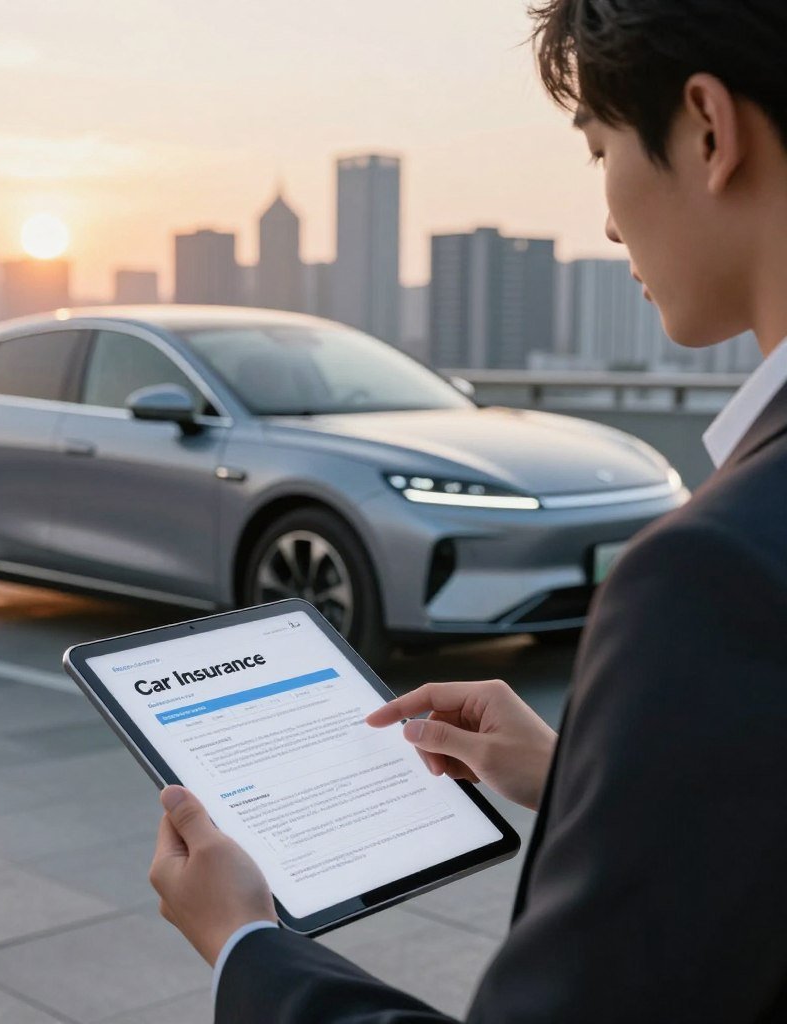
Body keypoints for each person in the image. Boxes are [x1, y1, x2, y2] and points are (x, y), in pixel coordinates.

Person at [148, 0, 787, 1019]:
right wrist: (596, 775)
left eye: (597, 150)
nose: (611, 216)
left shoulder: (713, 574)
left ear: (708, 130)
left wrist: (247, 946)